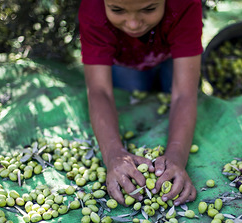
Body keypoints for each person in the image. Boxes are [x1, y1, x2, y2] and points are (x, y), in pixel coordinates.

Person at [78, 0, 203, 206]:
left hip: (171, 53)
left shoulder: (185, 4)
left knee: (172, 81)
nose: (133, 24)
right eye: (117, 10)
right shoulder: (93, 7)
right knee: (137, 87)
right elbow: (100, 91)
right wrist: (113, 154)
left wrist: (176, 155)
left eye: (149, 9)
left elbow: (184, 94)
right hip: (125, 59)